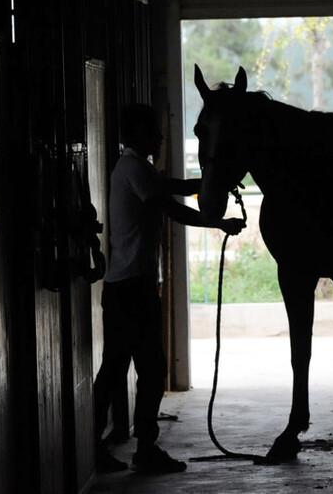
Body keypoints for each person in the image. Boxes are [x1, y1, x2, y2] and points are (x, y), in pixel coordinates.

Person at [94, 103, 245, 474]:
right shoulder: (133, 169)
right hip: (131, 288)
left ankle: (112, 446)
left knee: (124, 369)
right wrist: (217, 222)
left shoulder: (136, 167)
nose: (160, 138)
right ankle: (142, 449)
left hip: (130, 285)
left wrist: (215, 181)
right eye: (154, 132)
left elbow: (174, 187)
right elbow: (170, 207)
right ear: (138, 135)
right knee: (143, 369)